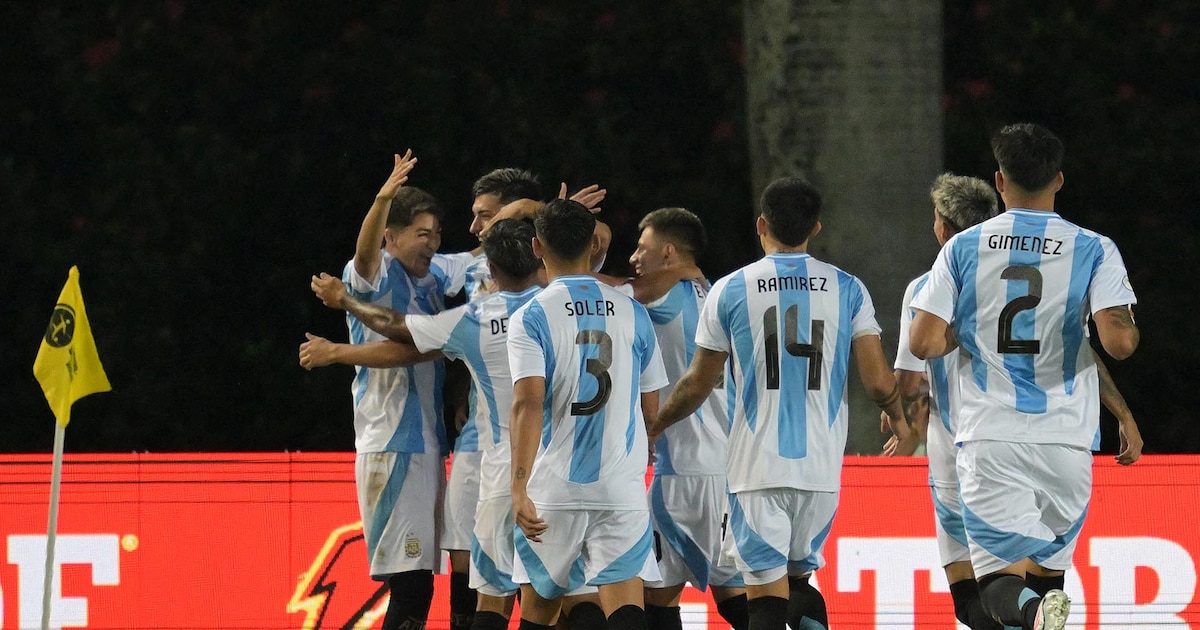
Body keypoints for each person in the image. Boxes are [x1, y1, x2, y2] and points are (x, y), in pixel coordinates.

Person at [649, 177, 910, 630]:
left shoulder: (730, 290)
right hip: (821, 471)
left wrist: (656, 423)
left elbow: (697, 383)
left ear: (761, 224)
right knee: (799, 585)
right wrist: (898, 413)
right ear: (816, 227)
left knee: (766, 601)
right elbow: (878, 381)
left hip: (757, 470)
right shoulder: (848, 288)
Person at [909, 124, 1140, 630]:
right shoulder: (1095, 249)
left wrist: (965, 332)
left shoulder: (964, 248)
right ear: (1058, 180)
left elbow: (923, 343)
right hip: (1069, 441)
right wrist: (1116, 322)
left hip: (992, 436)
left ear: (999, 180)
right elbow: (1119, 344)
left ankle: (1035, 611)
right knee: (1046, 575)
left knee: (999, 588)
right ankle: (1042, 607)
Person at [310, 219, 545, 630]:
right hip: (565, 469)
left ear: (490, 270)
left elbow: (402, 334)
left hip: (495, 469)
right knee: (559, 597)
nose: (473, 226)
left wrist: (344, 311)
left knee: (486, 594)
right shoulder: (559, 305)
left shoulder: (477, 317)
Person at [507, 199, 668, 630]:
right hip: (619, 488)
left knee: (539, 614)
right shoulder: (633, 311)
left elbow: (527, 403)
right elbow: (650, 407)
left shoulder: (532, 316)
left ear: (537, 247)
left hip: (552, 490)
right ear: (594, 244)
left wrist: (519, 486)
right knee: (626, 608)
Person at [330, 151, 472, 630]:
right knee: (411, 588)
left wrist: (545, 216)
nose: (431, 243)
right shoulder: (370, 276)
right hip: (391, 444)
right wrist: (383, 197)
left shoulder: (433, 275)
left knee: (427, 584)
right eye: (421, 233)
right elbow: (366, 252)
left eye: (436, 233)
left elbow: (485, 252)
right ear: (392, 236)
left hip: (428, 446)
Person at [620, 208, 749, 630]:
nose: (634, 258)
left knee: (648, 596)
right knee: (731, 592)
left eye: (642, 248)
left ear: (669, 252)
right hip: (724, 466)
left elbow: (585, 289)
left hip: (684, 474)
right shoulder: (712, 294)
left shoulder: (663, 295)